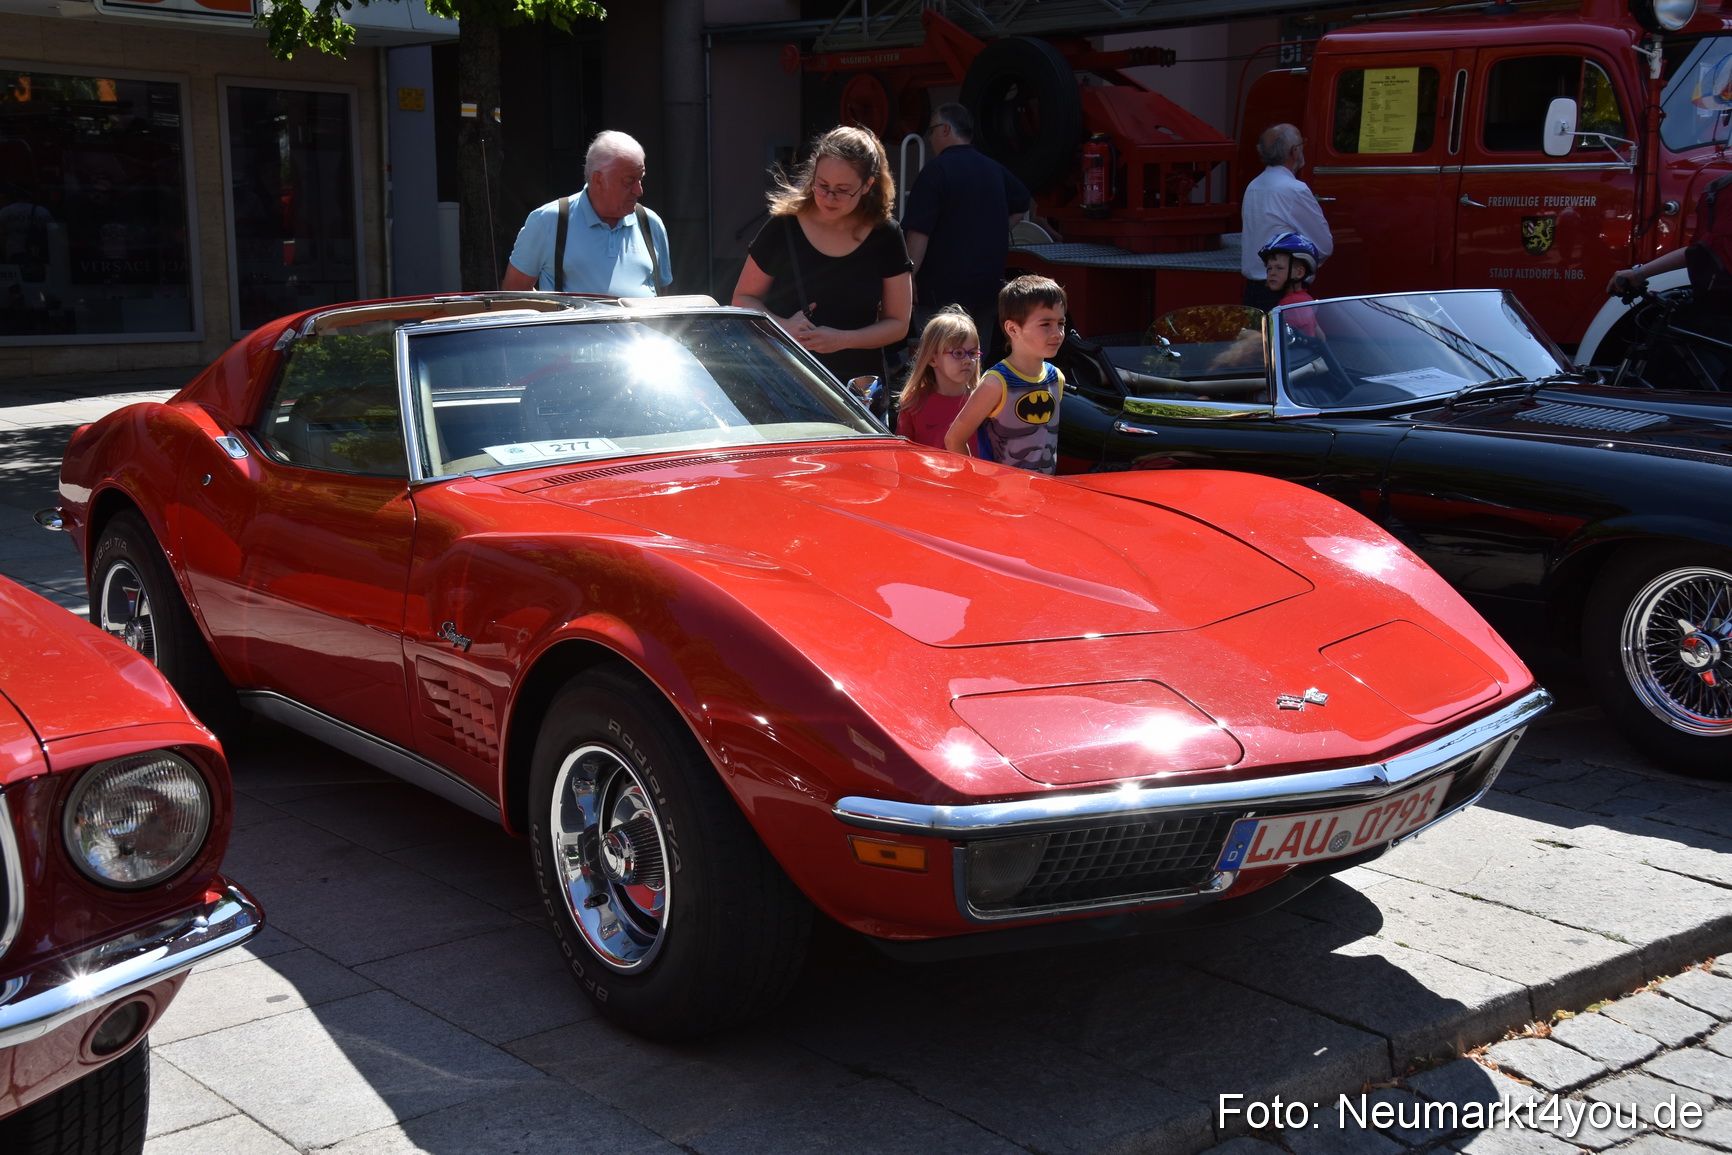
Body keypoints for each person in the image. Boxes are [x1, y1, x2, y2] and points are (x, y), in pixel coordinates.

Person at [733, 126, 913, 383]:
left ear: (867, 185)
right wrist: (783, 326)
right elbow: (742, 299)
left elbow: (898, 324)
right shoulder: (784, 226)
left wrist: (842, 340)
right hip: (787, 379)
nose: (829, 197)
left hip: (857, 386)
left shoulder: (886, 234)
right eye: (822, 185)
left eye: (842, 189)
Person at [902, 103, 1031, 350]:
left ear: (945, 129)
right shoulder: (994, 169)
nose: (930, 138)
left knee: (940, 360)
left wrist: (909, 276)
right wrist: (996, 229)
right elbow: (1022, 203)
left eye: (931, 131)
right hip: (986, 289)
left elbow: (919, 232)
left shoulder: (936, 171)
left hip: (940, 294)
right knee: (975, 359)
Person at [501, 131, 672, 296]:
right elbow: (514, 294)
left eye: (640, 179)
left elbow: (662, 295)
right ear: (599, 180)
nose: (639, 190)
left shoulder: (650, 223)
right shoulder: (549, 221)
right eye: (629, 181)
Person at [944, 275, 1067, 473]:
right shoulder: (996, 383)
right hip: (1001, 489)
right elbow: (954, 438)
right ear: (1013, 329)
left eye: (1061, 323)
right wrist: (975, 481)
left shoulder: (1056, 378)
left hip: (1044, 488)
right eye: (1045, 324)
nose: (1057, 333)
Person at [1240, 124, 1333, 311]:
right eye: (1302, 143)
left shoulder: (1253, 185)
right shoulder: (1294, 190)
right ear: (1294, 151)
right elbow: (1324, 246)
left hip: (1253, 288)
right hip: (1283, 290)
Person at [899, 306, 981, 450]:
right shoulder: (913, 402)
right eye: (958, 353)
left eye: (973, 353)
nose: (968, 360)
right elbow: (901, 452)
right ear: (933, 359)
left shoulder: (984, 400)